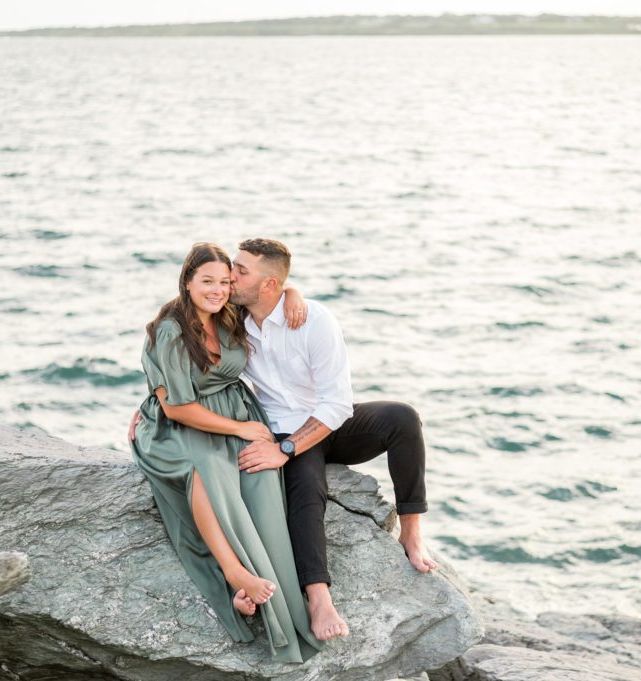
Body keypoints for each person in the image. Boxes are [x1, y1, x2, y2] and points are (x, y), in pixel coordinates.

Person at [228, 238, 438, 642]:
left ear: (269, 284)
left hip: (329, 423)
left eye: (241, 270)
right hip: (279, 425)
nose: (231, 276)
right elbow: (185, 324)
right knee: (307, 488)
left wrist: (284, 450)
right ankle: (318, 596)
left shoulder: (313, 320)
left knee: (404, 418)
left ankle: (411, 530)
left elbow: (338, 403)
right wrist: (158, 397)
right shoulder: (232, 315)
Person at [129, 242, 322, 663]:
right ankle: (235, 574)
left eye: (224, 281)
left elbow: (269, 287)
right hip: (181, 424)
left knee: (261, 477)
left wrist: (293, 293)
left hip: (235, 412)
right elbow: (176, 405)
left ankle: (291, 604)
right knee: (207, 472)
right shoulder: (170, 329)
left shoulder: (231, 313)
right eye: (207, 282)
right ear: (187, 282)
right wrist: (238, 427)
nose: (217, 290)